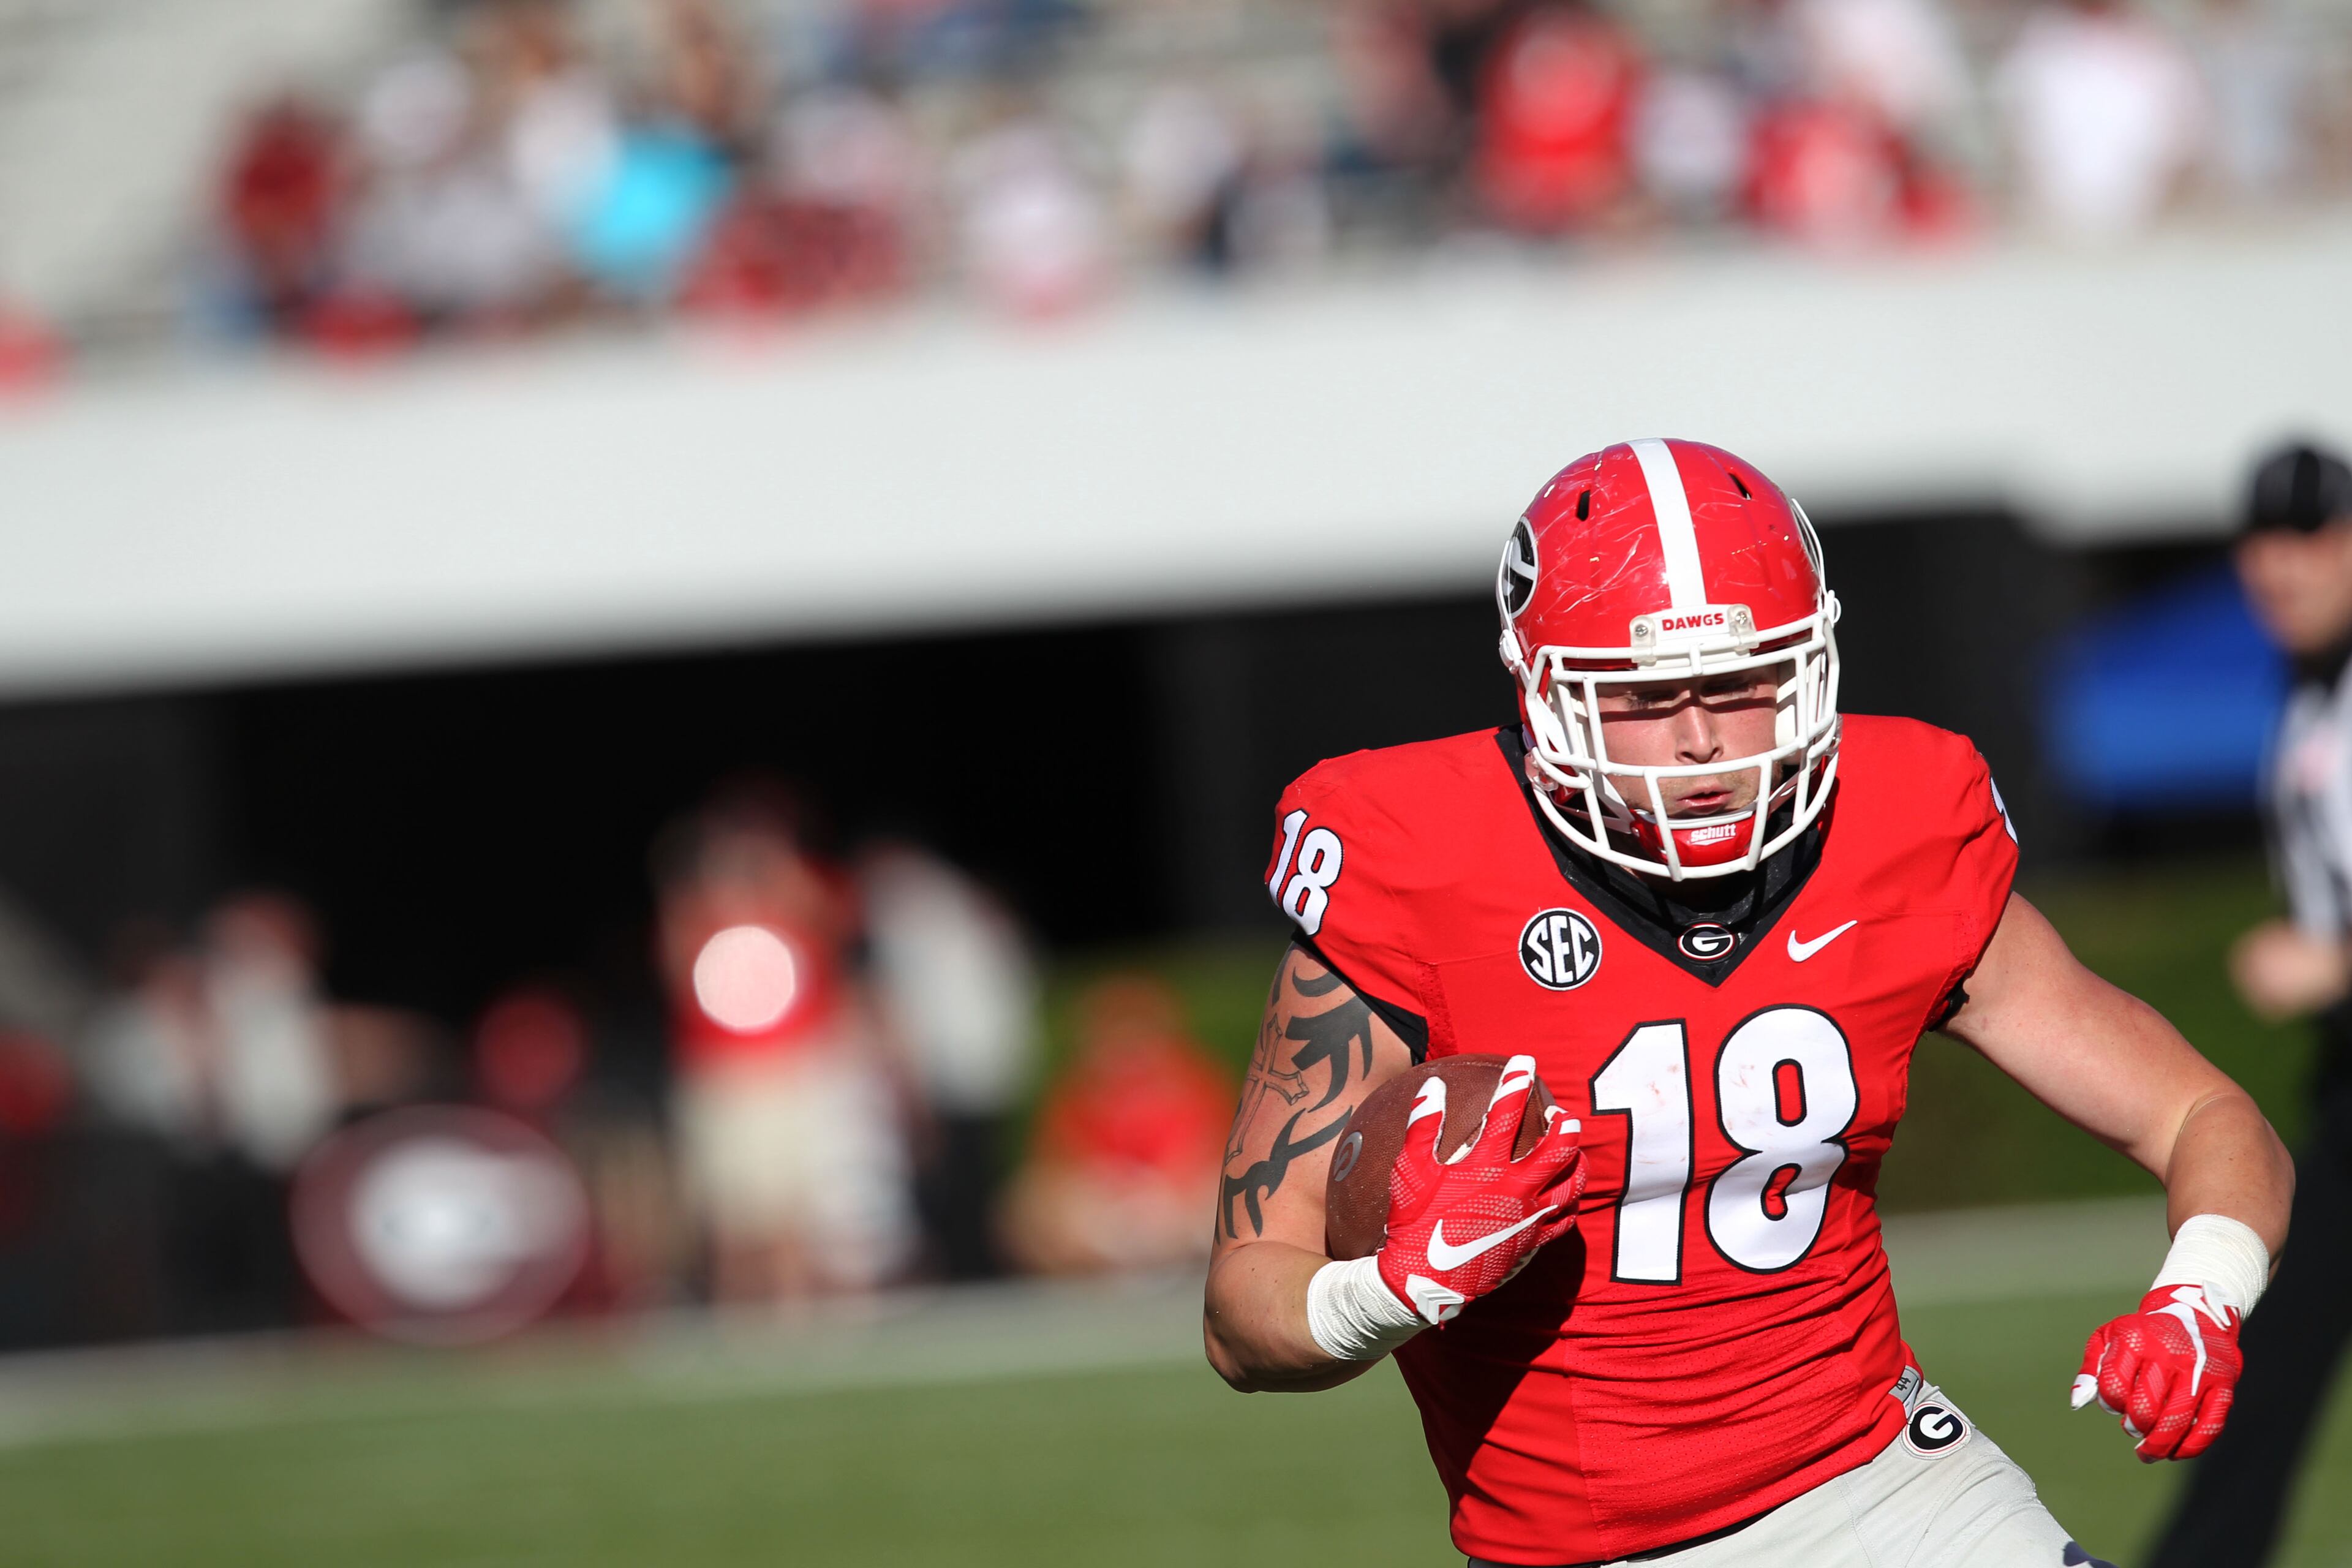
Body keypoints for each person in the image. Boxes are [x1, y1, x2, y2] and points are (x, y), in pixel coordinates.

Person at [1204, 438, 2293, 1567]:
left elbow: (2205, 1117)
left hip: (1890, 1486)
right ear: (1541, 692)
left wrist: (2199, 1296)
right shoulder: (1414, 856)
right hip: (1588, 1548)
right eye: (1639, 697)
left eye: (1742, 682)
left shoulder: (1899, 822)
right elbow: (1244, 1311)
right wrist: (1387, 1293)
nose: (1700, 741)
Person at [2146, 442, 2352, 1567]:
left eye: (2312, 537)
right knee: (2264, 1370)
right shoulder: (2308, 682)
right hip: (2346, 1089)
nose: (2282, 567)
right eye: (2265, 542)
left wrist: (2334, 962)